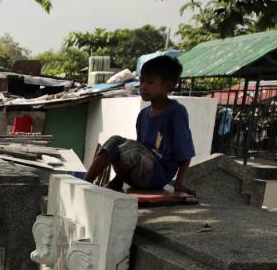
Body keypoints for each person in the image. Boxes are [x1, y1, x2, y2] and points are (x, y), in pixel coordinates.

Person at [83, 55, 196, 195]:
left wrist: (178, 184)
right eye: (141, 81)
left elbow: (185, 153)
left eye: (150, 82)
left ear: (168, 85)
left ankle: (117, 181)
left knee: (134, 149)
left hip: (157, 176)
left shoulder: (176, 112)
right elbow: (138, 150)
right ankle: (84, 183)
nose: (143, 87)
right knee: (115, 140)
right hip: (138, 171)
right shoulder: (143, 114)